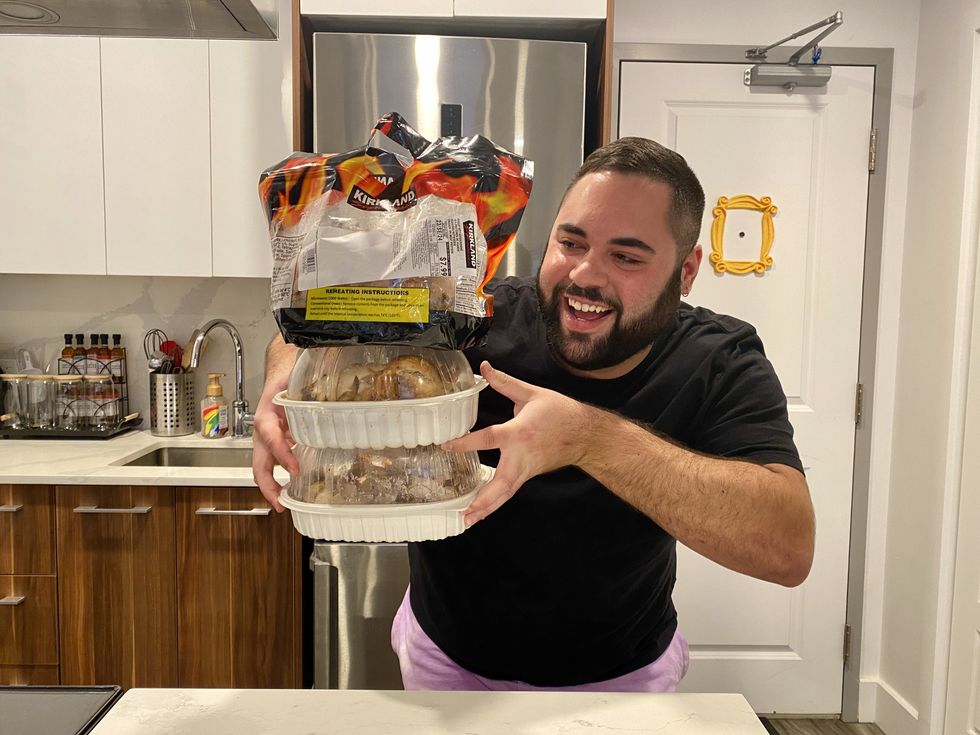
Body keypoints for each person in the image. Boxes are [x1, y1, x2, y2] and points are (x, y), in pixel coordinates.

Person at [252, 137, 814, 693]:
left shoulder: (717, 359)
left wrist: (590, 439)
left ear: (687, 271)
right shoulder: (477, 317)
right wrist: (283, 375)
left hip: (621, 678)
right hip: (445, 663)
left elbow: (787, 548)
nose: (584, 276)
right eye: (571, 243)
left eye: (626, 256)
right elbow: (320, 317)